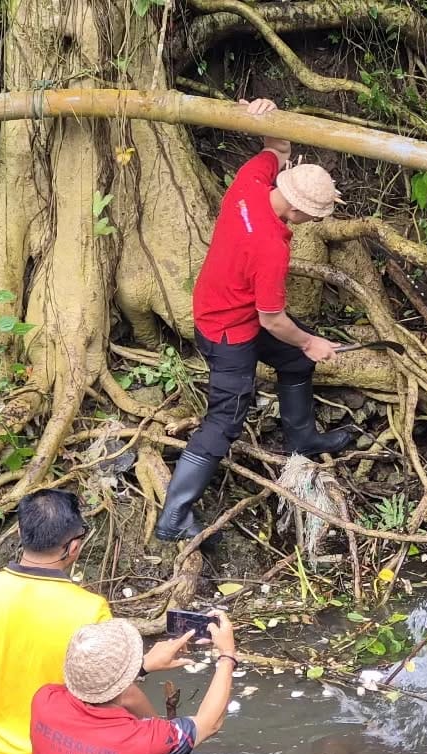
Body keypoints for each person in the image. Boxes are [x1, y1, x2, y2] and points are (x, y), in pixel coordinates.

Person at [156, 97, 353, 545]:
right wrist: (310, 342)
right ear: (298, 212)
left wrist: (267, 110)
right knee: (226, 418)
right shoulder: (271, 248)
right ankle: (174, 517)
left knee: (295, 364)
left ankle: (302, 443)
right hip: (230, 330)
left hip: (223, 305)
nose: (308, 225)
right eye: (311, 218)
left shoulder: (251, 182)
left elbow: (275, 146)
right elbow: (273, 319)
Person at [0, 488, 197, 754]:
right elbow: (116, 694)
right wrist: (160, 728)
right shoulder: (89, 610)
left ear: (20, 532)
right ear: (73, 546)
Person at [29, 614, 238, 754]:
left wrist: (141, 667)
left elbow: (113, 692)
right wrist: (227, 656)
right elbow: (210, 723)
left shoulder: (44, 701)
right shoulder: (137, 741)